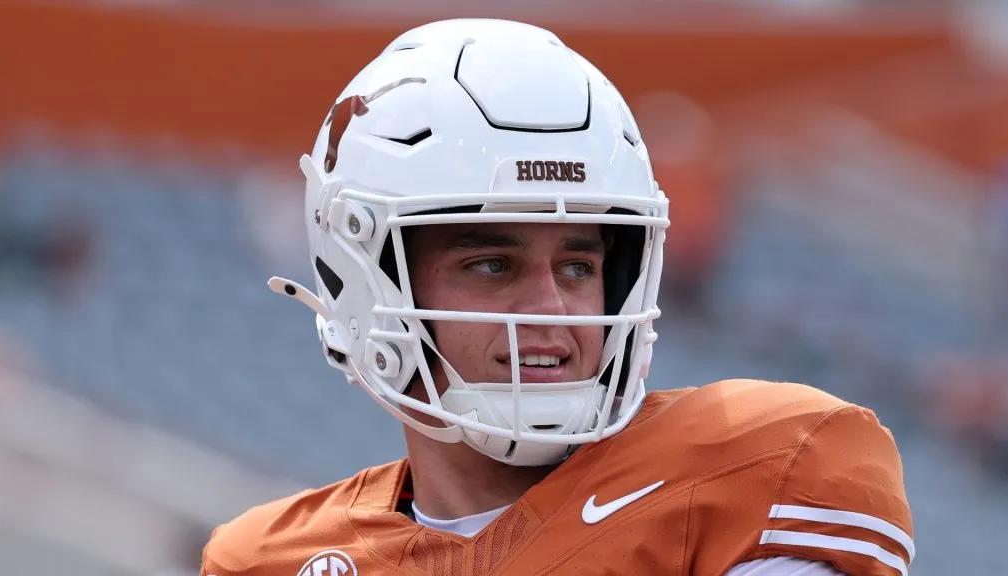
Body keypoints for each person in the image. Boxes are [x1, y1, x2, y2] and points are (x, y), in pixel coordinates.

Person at [200, 19, 913, 576]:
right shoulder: (267, 560)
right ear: (368, 282)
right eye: (490, 265)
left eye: (577, 266)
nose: (554, 310)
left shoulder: (758, 470)